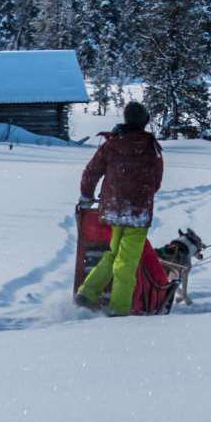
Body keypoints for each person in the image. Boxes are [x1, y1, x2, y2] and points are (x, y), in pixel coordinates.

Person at [77, 101, 165, 314]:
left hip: (113, 209)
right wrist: (140, 195)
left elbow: (91, 172)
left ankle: (87, 293)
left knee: (113, 253)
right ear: (144, 122)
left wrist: (86, 195)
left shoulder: (112, 143)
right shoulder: (151, 147)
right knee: (126, 262)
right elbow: (156, 181)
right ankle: (119, 309)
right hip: (137, 213)